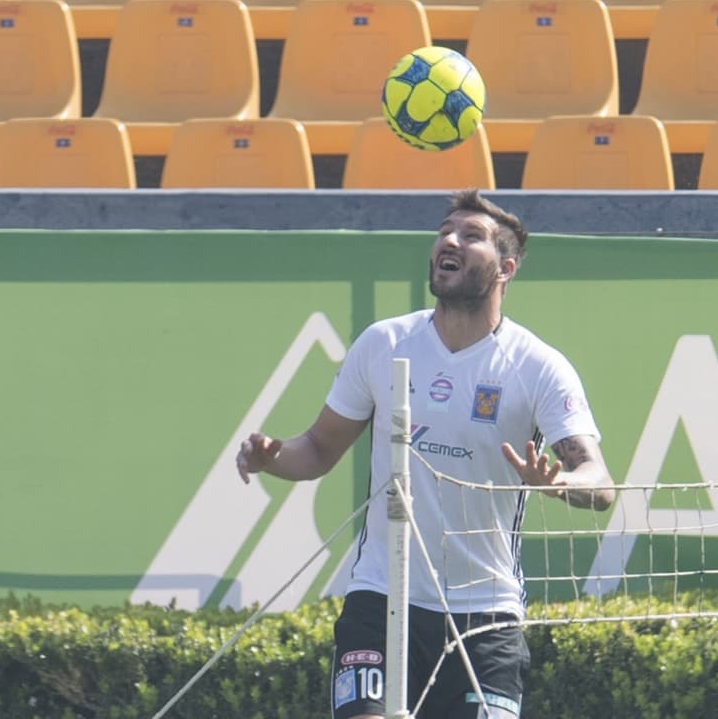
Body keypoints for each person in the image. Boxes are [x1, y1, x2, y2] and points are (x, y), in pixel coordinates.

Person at [235, 190, 615, 719]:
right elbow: (318, 450)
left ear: (505, 268)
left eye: (470, 235)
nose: (448, 241)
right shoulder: (382, 343)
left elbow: (600, 483)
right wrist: (271, 456)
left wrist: (557, 483)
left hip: (485, 616)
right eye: (444, 231)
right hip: (382, 596)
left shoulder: (538, 366)